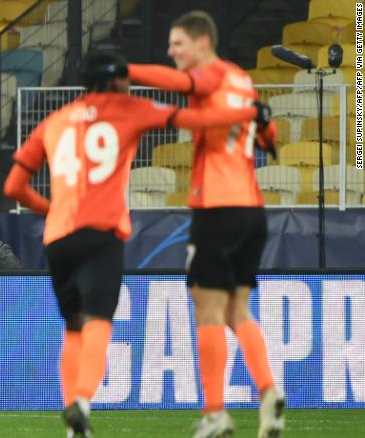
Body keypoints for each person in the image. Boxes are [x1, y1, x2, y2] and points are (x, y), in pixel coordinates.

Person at [3, 48, 270, 437]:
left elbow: (14, 186)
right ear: (114, 79)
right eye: (124, 77)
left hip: (58, 237)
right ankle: (81, 400)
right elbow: (196, 119)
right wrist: (248, 113)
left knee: (72, 328)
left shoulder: (54, 121)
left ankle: (72, 422)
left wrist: (52, 210)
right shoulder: (129, 107)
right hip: (102, 231)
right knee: (97, 322)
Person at [127, 10, 284, 438]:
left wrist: (124, 70)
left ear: (201, 42)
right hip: (253, 209)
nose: (171, 51)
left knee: (208, 312)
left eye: (177, 43)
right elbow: (269, 140)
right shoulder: (241, 79)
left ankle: (214, 413)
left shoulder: (212, 75)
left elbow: (183, 84)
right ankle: (268, 391)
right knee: (238, 310)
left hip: (218, 207)